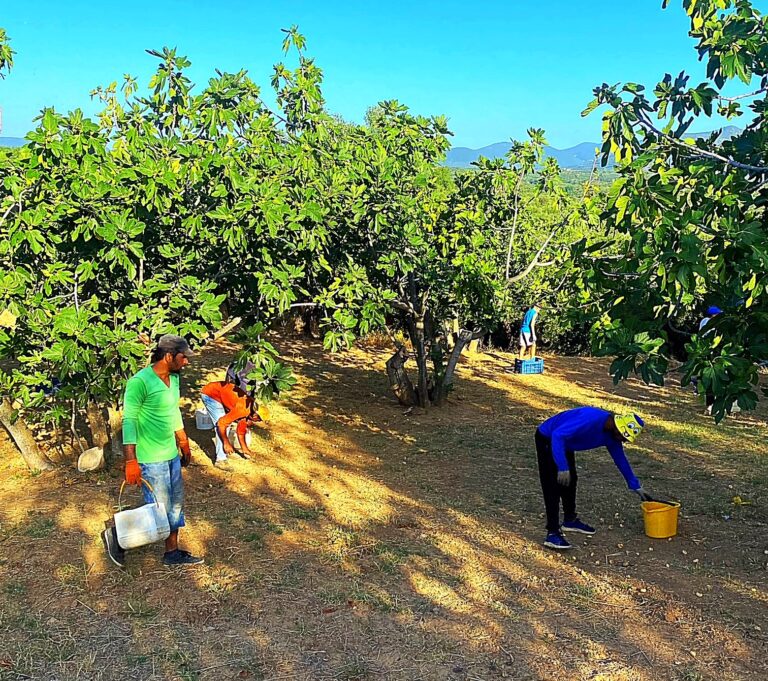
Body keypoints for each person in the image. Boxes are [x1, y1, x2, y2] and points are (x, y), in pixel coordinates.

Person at [102, 334, 203, 567]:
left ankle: (172, 552)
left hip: (170, 454)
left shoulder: (174, 379)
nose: (186, 362)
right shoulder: (140, 382)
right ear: (168, 356)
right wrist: (131, 461)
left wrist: (184, 441)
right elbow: (130, 422)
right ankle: (117, 537)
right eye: (182, 357)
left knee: (175, 505)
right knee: (158, 508)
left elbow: (172, 411)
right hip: (150, 458)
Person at [535, 407, 651, 550]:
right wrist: (562, 466)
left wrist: (635, 485)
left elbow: (620, 459)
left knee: (570, 481)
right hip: (549, 438)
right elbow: (557, 435)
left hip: (565, 443)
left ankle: (569, 520)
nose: (624, 441)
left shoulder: (612, 436)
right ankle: (552, 533)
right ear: (617, 427)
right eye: (624, 437)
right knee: (553, 485)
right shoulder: (589, 419)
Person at [200, 361, 270, 470]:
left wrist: (245, 449)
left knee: (224, 424)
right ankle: (220, 460)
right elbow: (221, 423)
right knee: (223, 425)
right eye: (258, 419)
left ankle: (222, 454)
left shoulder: (249, 408)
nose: (256, 422)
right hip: (210, 394)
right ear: (255, 415)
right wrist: (226, 443)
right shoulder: (243, 410)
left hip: (219, 393)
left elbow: (241, 431)